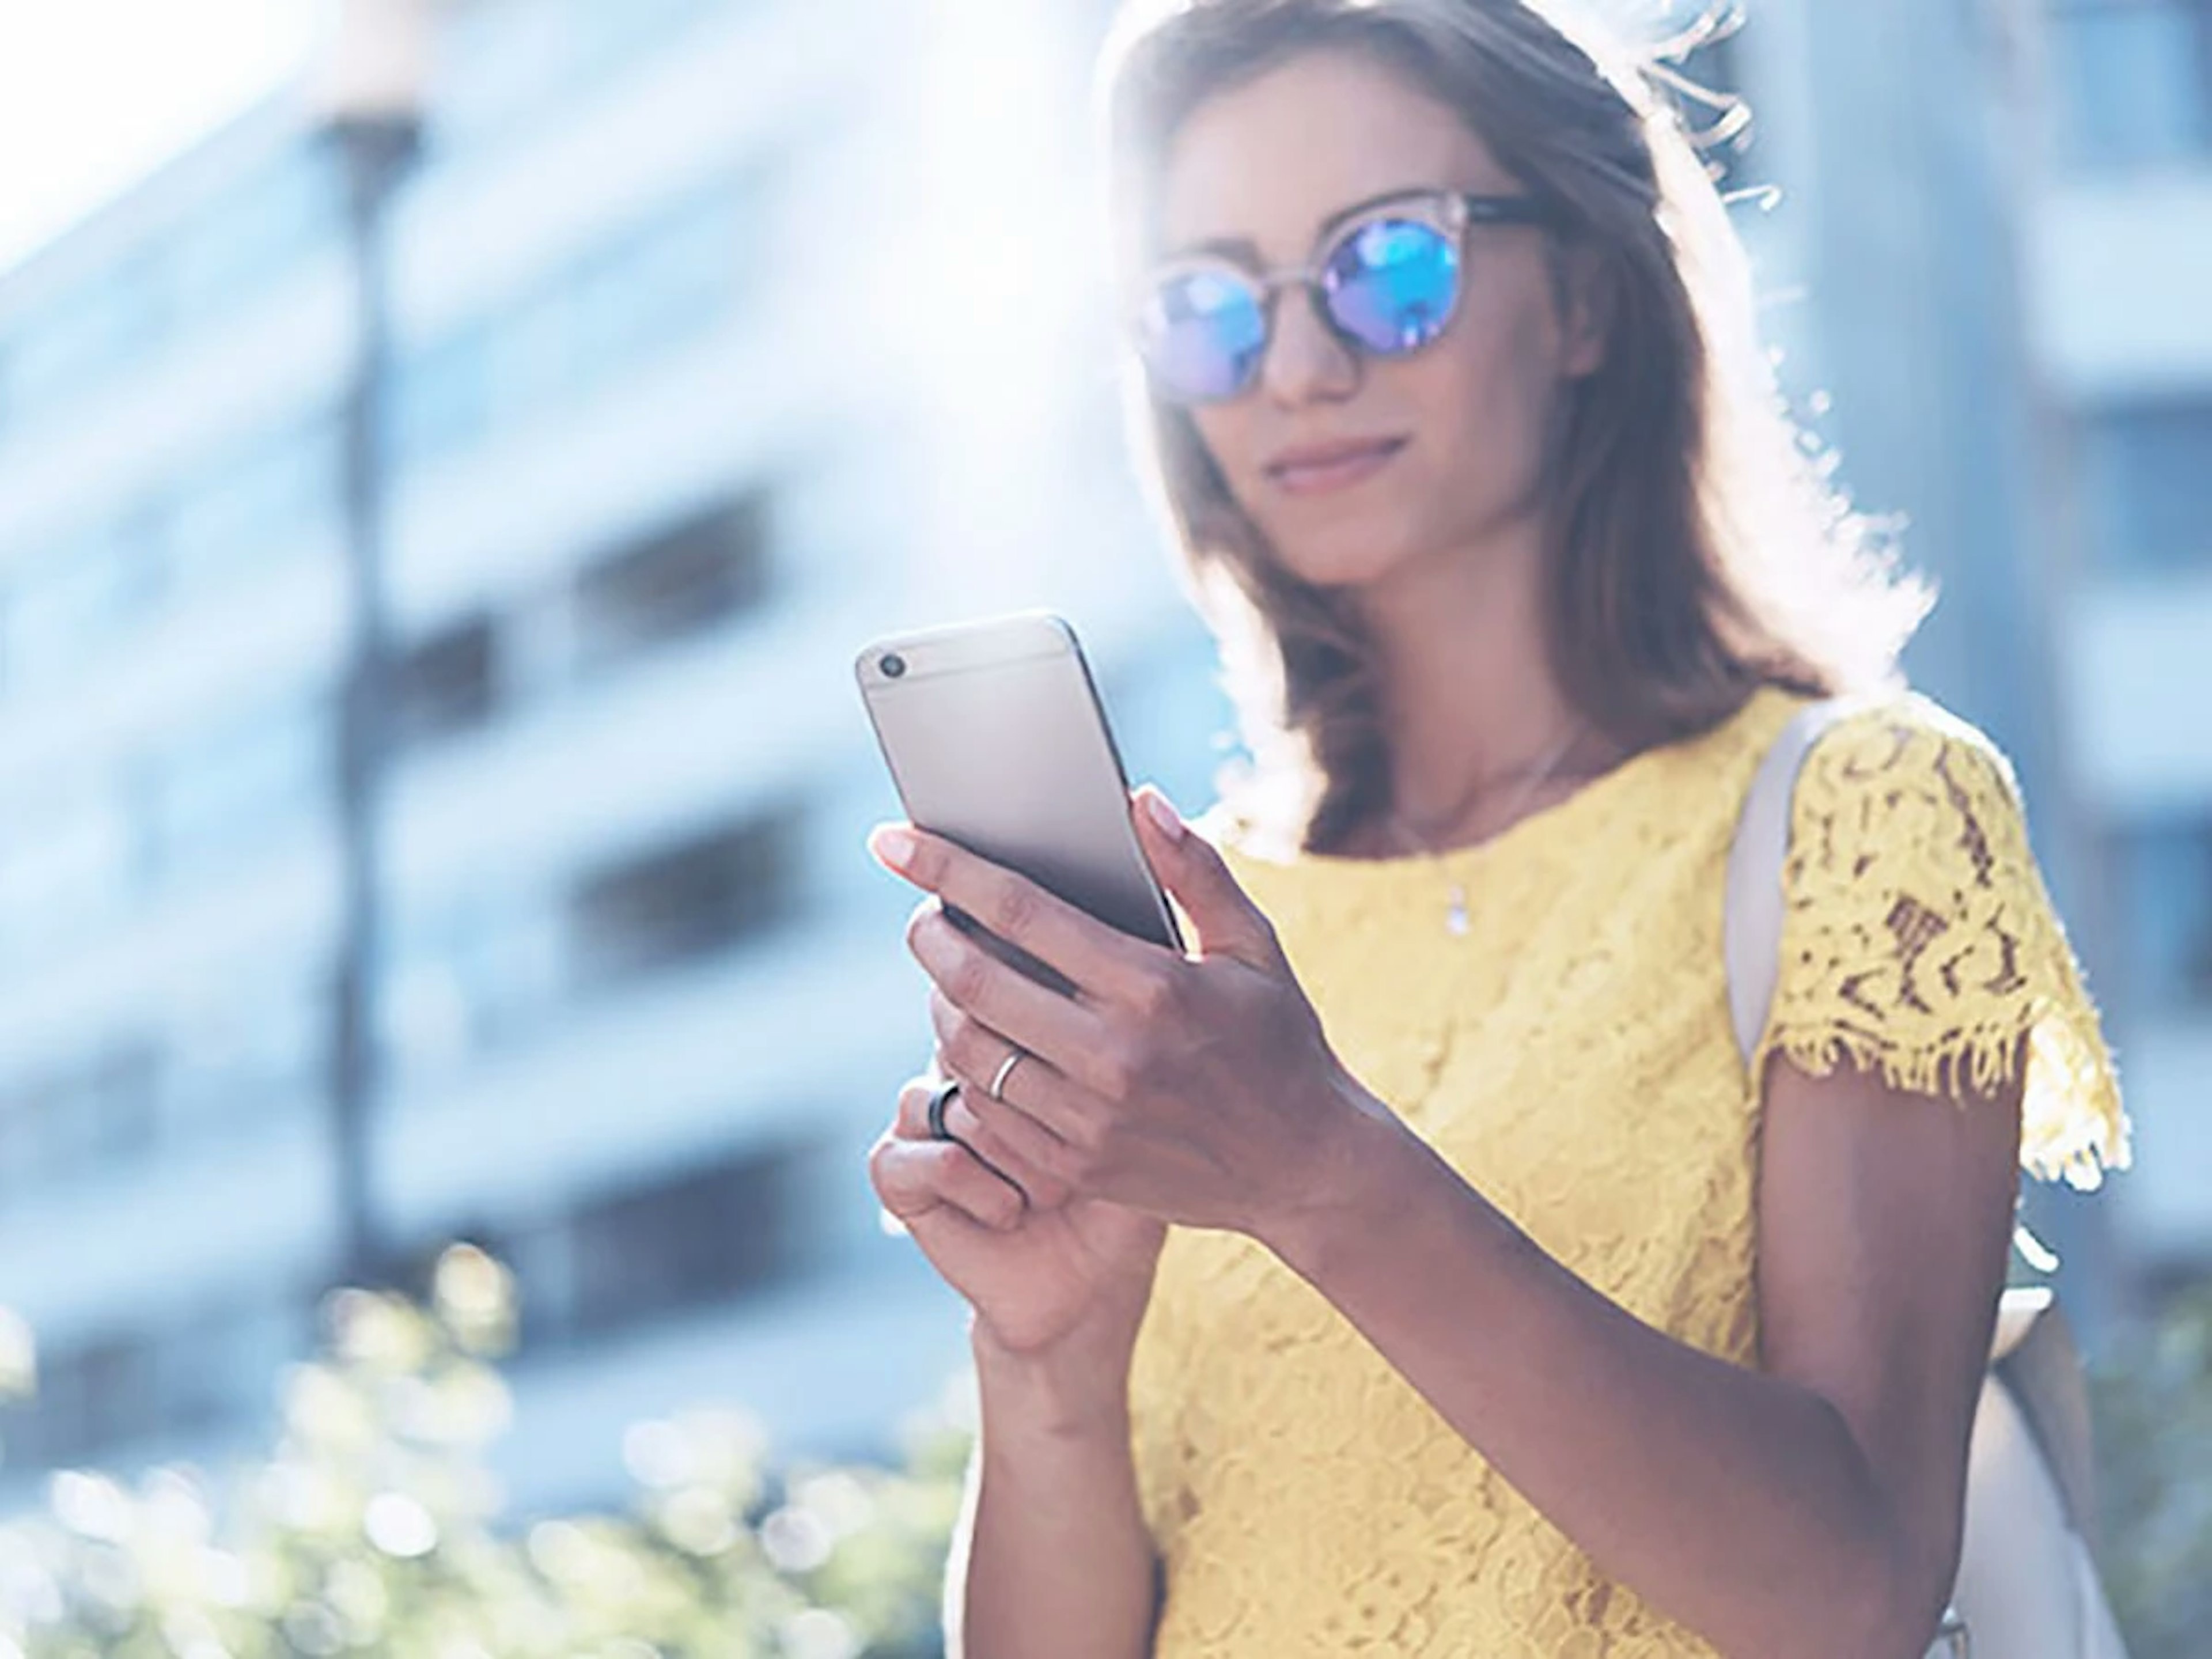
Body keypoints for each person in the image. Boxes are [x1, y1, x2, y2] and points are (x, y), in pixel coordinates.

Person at [863, 1, 2131, 1654]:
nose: (1302, 366)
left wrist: (1320, 1169)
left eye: (1391, 265)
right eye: (1209, 306)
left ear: (1591, 293)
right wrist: (1049, 1366)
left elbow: (1858, 1588)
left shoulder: (1865, 815)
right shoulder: (1201, 956)